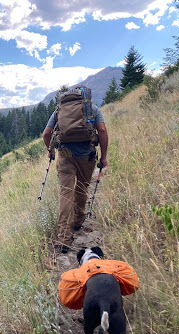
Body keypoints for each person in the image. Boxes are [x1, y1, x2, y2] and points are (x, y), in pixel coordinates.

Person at [42, 87, 108, 254]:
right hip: (87, 156)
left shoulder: (59, 110)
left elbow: (46, 134)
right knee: (81, 188)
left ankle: (63, 238)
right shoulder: (92, 109)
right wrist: (104, 157)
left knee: (65, 193)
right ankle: (78, 221)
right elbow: (102, 131)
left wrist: (51, 151)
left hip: (65, 156)